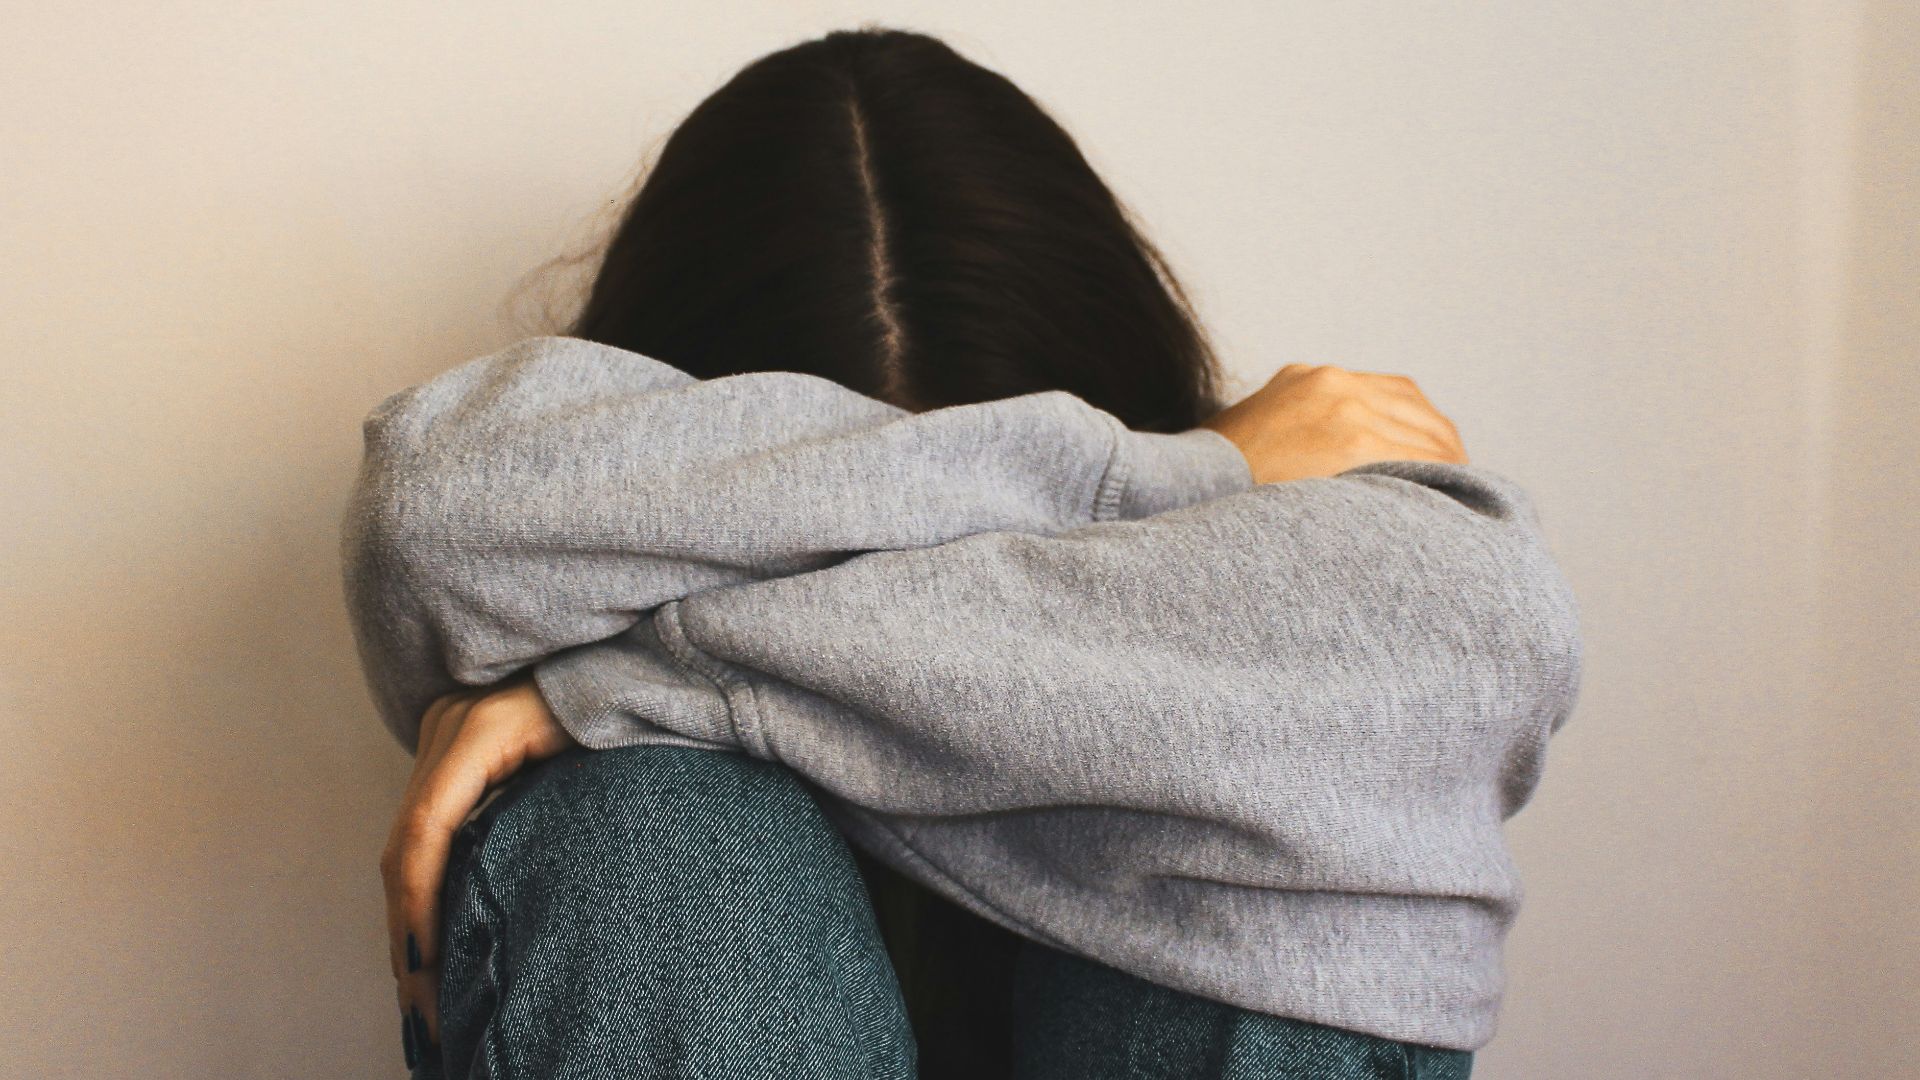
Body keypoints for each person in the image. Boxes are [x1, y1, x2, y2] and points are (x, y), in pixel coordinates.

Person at [340, 27, 1581, 1080]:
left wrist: (630, 674)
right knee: (644, 826)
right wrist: (1175, 481)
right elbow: (430, 514)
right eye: (825, 539)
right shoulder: (1202, 481)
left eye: (1010, 551)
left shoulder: (1283, 561)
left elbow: (1489, 627)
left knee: (1292, 813)